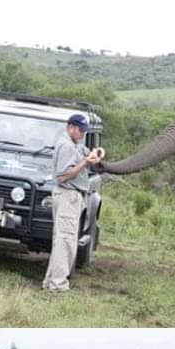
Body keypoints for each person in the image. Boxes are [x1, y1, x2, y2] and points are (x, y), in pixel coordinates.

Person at [42, 114, 100, 292]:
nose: (83, 134)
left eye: (85, 131)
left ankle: (51, 281)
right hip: (68, 195)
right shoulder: (66, 145)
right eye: (81, 130)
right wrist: (84, 164)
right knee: (65, 241)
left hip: (70, 197)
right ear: (71, 127)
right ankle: (58, 285)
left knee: (62, 241)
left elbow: (85, 155)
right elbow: (62, 176)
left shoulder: (74, 144)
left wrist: (95, 155)